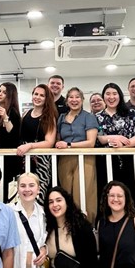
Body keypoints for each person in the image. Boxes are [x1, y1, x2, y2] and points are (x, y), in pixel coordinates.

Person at [95, 82, 135, 207]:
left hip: (128, 159)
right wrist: (115, 138)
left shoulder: (130, 113)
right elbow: (99, 138)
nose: (111, 97)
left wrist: (124, 145)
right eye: (107, 94)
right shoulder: (97, 117)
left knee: (130, 193)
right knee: (107, 194)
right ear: (103, 97)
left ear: (120, 96)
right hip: (105, 161)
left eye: (114, 94)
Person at [56, 87, 99, 223]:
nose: (74, 100)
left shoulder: (89, 117)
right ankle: (68, 225)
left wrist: (69, 145)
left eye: (77, 97)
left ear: (82, 99)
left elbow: (91, 142)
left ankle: (86, 226)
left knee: (84, 193)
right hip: (64, 159)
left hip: (84, 158)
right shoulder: (61, 117)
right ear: (67, 100)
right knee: (66, 193)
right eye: (71, 97)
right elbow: (58, 139)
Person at [16, 84, 58, 204]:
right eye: (36, 94)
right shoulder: (26, 114)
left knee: (38, 196)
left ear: (47, 98)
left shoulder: (49, 117)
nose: (38, 97)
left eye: (42, 95)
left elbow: (49, 142)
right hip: (23, 159)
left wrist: (30, 146)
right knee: (22, 195)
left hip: (40, 162)